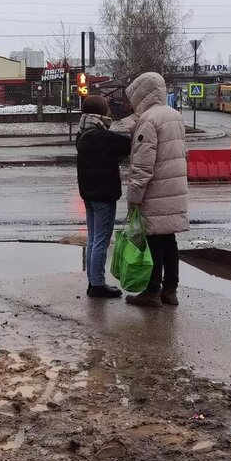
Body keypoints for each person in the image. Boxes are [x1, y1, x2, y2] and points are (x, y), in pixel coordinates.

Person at [124, 71, 189, 307]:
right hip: (174, 188)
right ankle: (170, 290)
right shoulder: (175, 116)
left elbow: (142, 165)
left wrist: (134, 198)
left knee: (153, 241)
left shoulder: (148, 120)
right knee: (169, 240)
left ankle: (151, 291)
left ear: (141, 93)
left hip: (155, 190)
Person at [76, 96, 132, 299]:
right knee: (101, 240)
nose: (109, 112)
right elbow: (129, 145)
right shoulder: (101, 136)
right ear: (101, 113)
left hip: (88, 194)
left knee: (93, 240)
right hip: (103, 195)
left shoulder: (83, 133)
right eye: (107, 109)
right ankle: (98, 285)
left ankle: (93, 283)